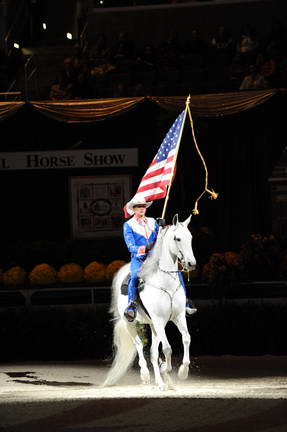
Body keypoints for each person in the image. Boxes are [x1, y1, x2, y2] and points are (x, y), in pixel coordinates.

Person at [123, 196, 197, 322]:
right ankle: (132, 304)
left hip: (156, 257)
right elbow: (131, 247)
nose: (142, 208)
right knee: (135, 276)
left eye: (143, 206)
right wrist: (145, 248)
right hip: (139, 259)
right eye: (139, 206)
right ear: (134, 209)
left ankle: (185, 301)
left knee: (177, 272)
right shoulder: (128, 225)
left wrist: (163, 226)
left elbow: (162, 236)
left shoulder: (152, 221)